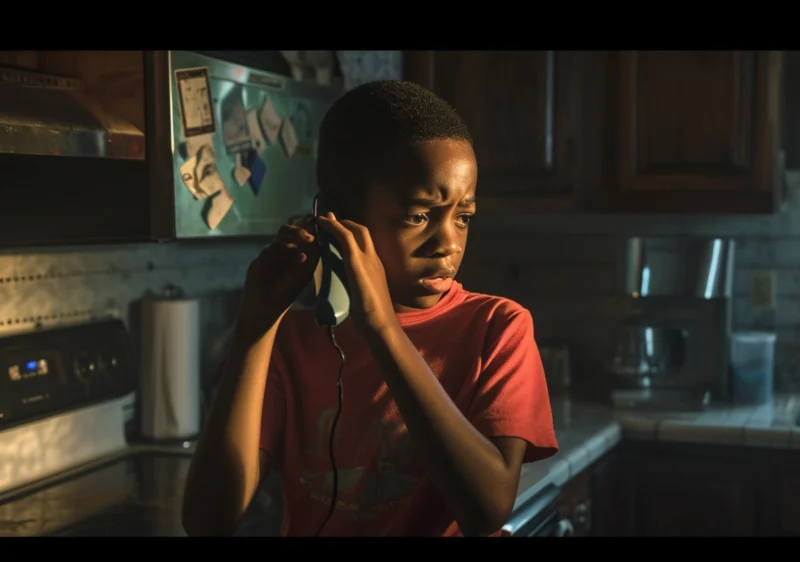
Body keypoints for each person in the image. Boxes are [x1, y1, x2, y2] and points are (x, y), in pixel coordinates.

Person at [181, 80, 559, 537]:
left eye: (463, 216)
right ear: (339, 217)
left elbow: (486, 510)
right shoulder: (293, 341)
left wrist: (383, 328)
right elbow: (207, 521)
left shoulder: (497, 328)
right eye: (419, 216)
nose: (448, 244)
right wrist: (254, 327)